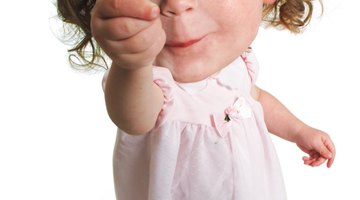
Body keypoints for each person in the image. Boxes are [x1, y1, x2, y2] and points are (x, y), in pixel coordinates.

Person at [57, 0, 336, 199]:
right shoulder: (147, 81)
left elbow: (254, 98)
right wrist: (132, 63)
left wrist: (299, 130)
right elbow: (133, 118)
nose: (177, 4)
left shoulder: (237, 65)